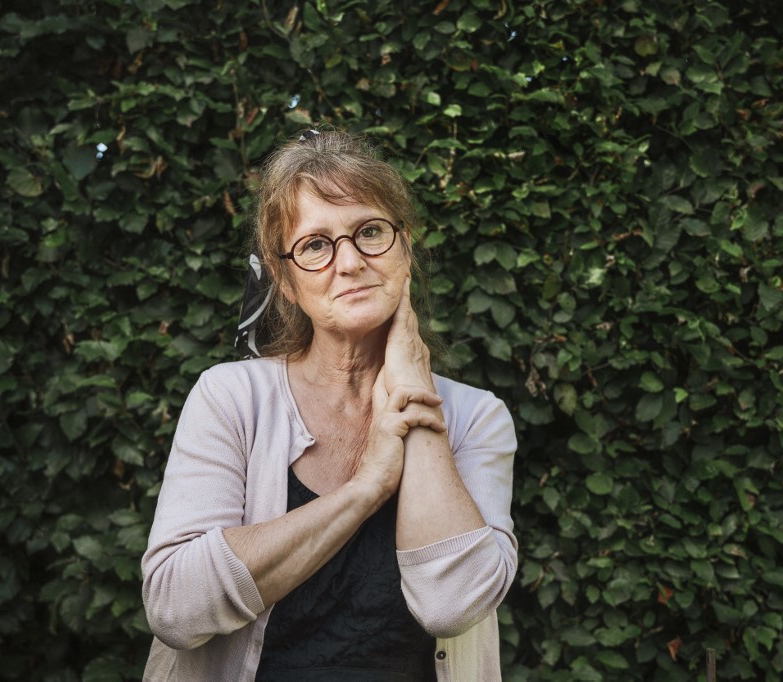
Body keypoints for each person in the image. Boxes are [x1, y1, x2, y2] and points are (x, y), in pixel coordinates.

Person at [141, 129, 518, 681]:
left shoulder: (477, 418)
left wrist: (413, 390)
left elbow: (452, 604)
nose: (350, 261)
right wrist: (366, 489)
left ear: (406, 247)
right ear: (286, 281)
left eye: (370, 232)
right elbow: (176, 607)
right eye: (316, 245)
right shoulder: (231, 398)